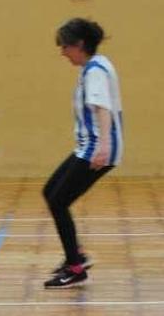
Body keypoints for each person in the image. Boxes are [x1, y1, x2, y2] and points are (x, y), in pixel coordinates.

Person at [43, 18, 123, 289]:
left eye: (65, 46)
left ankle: (75, 267)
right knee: (50, 192)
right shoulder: (94, 66)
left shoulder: (95, 71)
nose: (62, 52)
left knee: (58, 201)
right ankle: (77, 256)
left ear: (79, 45)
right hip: (87, 147)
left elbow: (103, 108)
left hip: (94, 149)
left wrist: (104, 147)